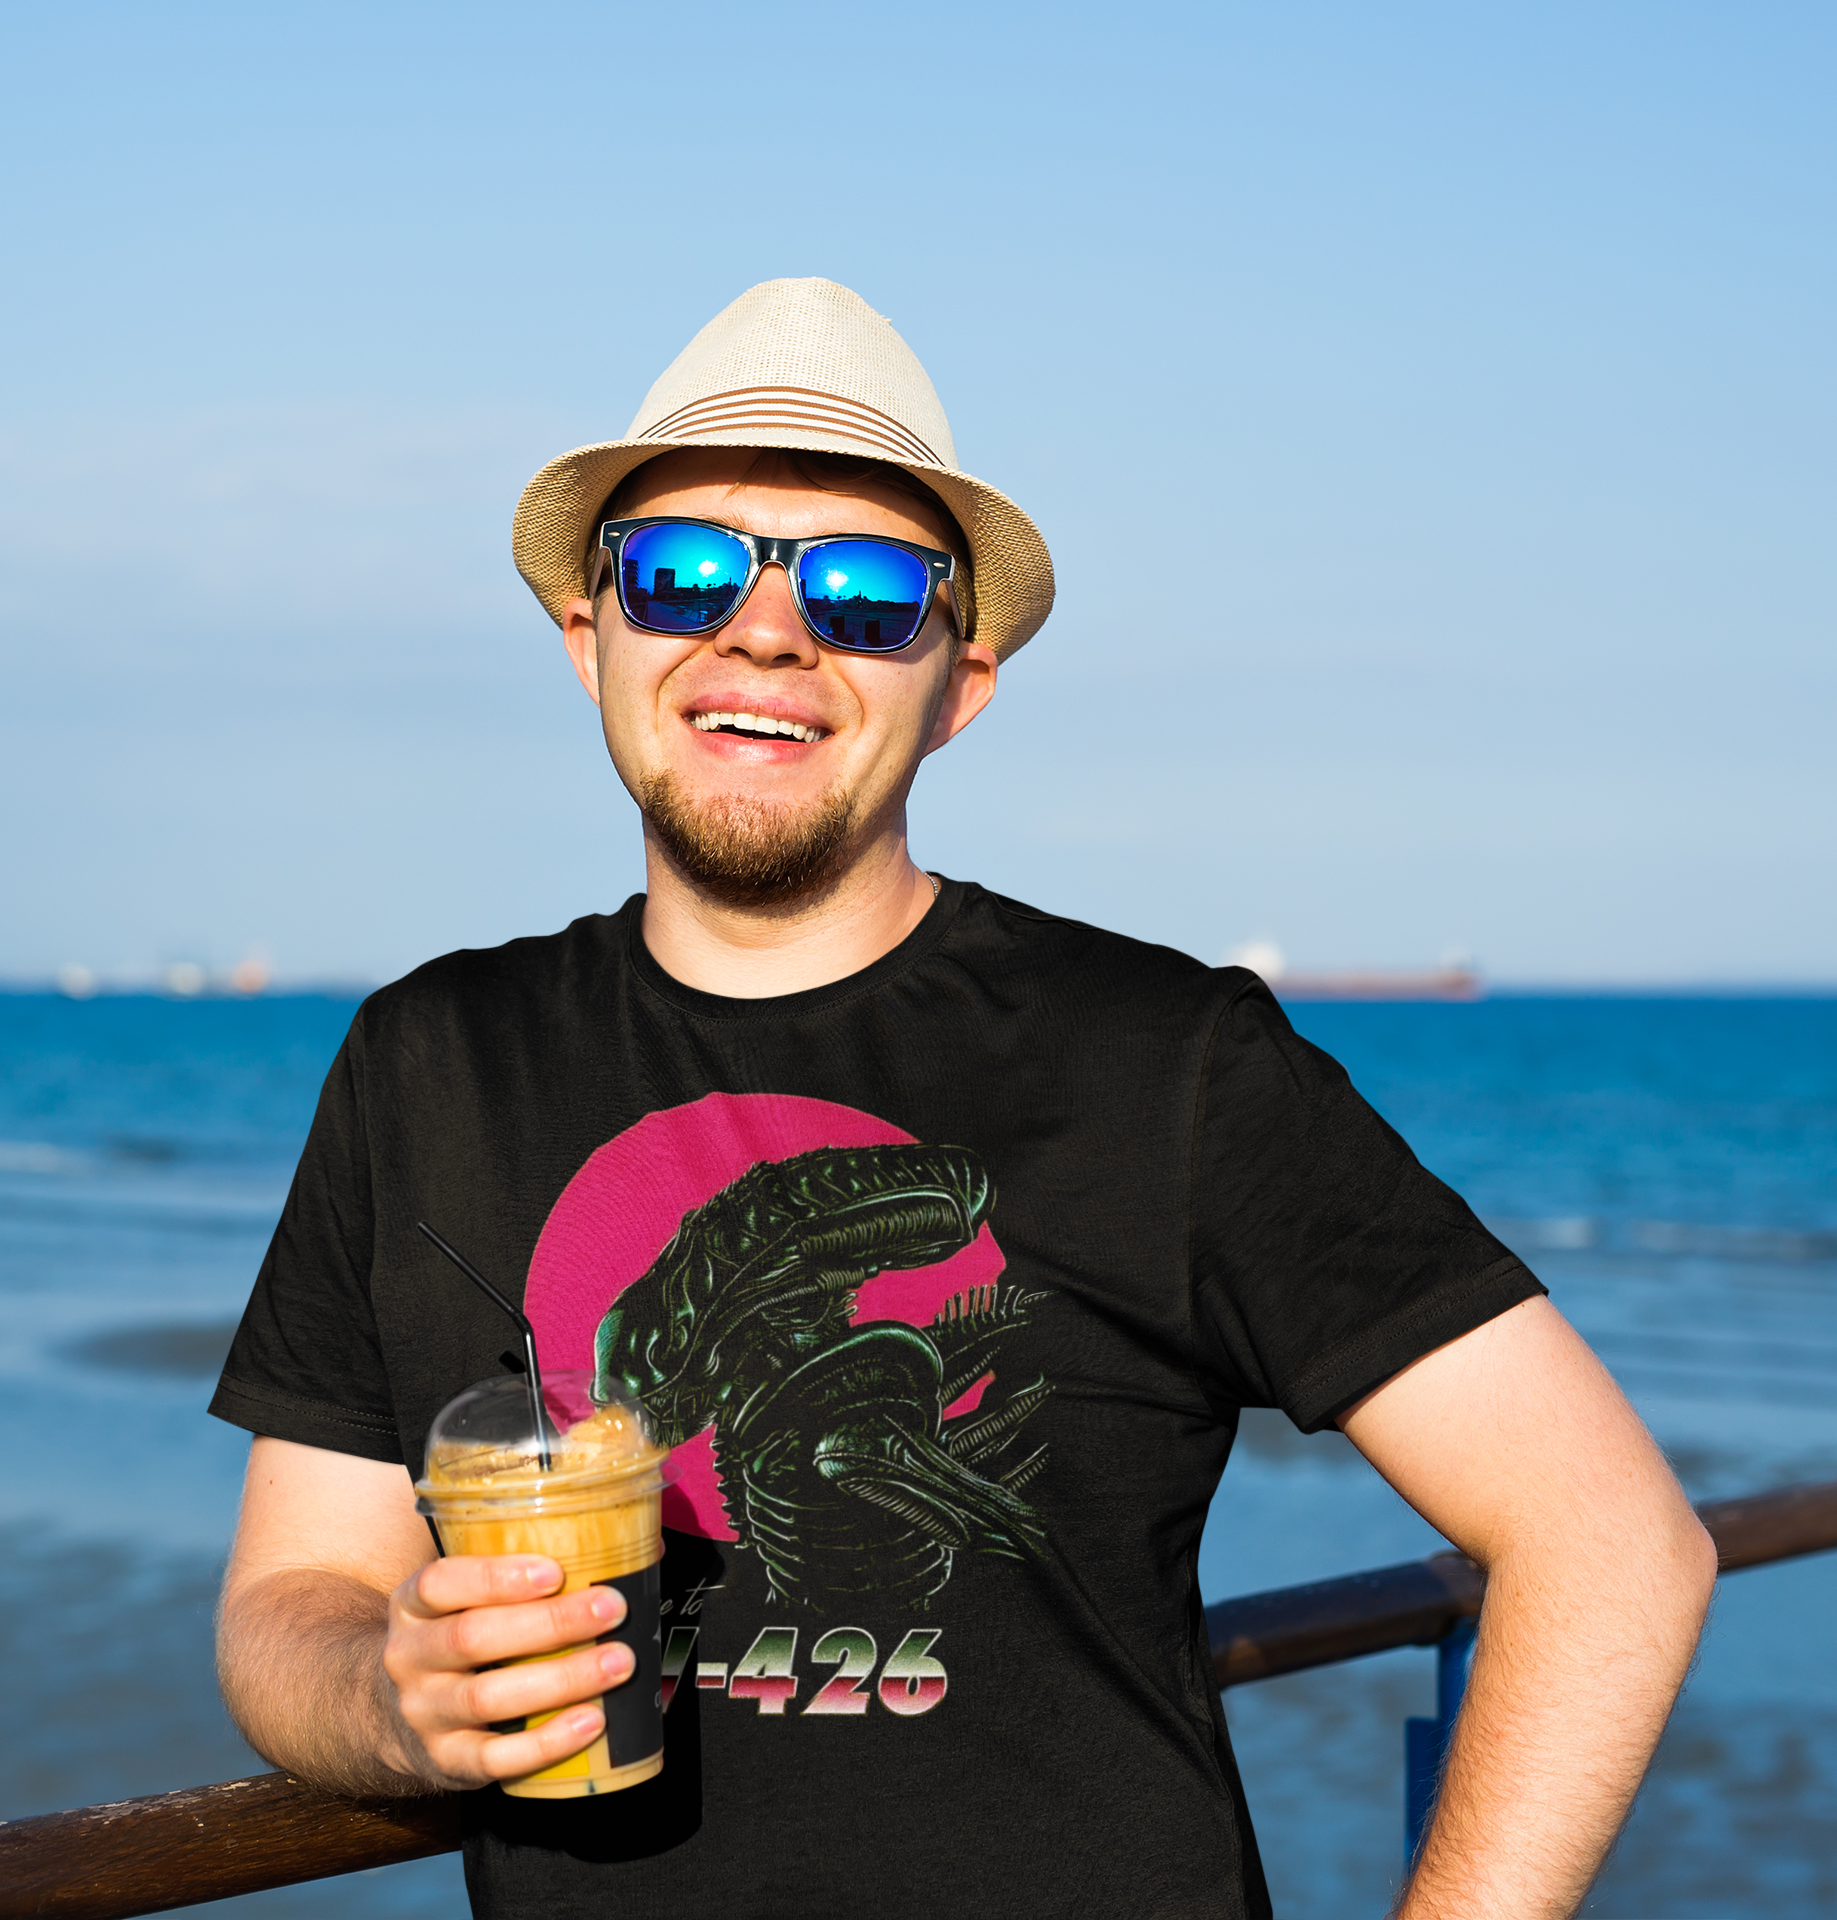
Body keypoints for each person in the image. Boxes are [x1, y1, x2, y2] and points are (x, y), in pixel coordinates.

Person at [212, 278, 1715, 1920]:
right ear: (592, 640)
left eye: (864, 593)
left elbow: (1611, 1540)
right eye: (683, 570)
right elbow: (298, 1595)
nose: (764, 632)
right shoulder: (428, 1059)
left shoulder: (1172, 1064)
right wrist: (395, 1704)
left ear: (961, 683)